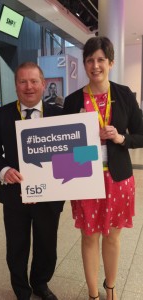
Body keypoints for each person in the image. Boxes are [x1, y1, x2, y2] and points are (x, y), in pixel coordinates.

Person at [63, 36, 143, 300]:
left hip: (118, 179)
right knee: (89, 237)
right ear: (84, 64)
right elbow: (65, 147)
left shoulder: (124, 95)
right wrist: (85, 143)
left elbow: (141, 135)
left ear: (111, 62)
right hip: (85, 177)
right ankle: (93, 294)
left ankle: (110, 288)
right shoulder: (73, 101)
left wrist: (121, 138)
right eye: (89, 60)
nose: (95, 65)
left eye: (100, 60)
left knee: (112, 237)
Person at [0, 62, 64, 300]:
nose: (28, 87)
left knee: (47, 246)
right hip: (14, 195)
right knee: (17, 247)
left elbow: (72, 153)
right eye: (22, 81)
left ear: (43, 84)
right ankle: (21, 290)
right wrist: (4, 169)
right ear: (16, 85)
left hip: (49, 195)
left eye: (33, 81)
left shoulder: (59, 115)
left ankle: (40, 284)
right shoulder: (2, 115)